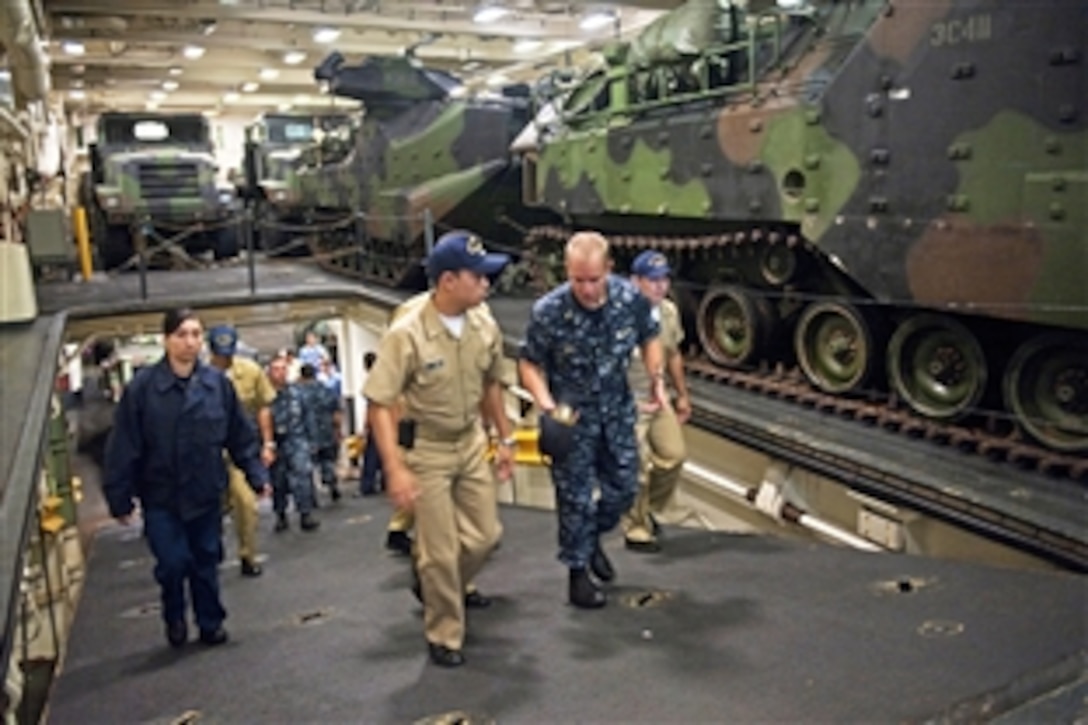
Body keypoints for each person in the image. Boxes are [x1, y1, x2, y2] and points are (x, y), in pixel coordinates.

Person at [363, 230, 515, 668]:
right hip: (426, 448)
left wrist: (503, 438)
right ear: (448, 281)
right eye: (478, 276)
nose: (487, 284)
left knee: (486, 537)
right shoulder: (407, 332)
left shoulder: (484, 322)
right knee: (441, 551)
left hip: (468, 441)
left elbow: (491, 384)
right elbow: (378, 404)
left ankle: (432, 579)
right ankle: (444, 631)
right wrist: (394, 469)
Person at [104, 308, 269, 648]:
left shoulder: (216, 387)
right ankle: (175, 615)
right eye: (182, 335)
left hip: (205, 491)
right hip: (161, 495)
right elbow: (124, 445)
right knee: (173, 563)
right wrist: (119, 497)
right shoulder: (143, 390)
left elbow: (239, 435)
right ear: (166, 340)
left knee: (206, 559)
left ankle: (210, 622)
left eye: (196, 334)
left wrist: (255, 473)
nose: (190, 342)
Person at [518, 231, 665, 609]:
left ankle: (591, 538)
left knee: (624, 489)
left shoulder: (629, 299)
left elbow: (650, 337)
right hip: (572, 415)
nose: (586, 288)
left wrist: (656, 380)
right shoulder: (548, 311)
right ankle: (578, 573)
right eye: (577, 279)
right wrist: (548, 406)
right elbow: (529, 363)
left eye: (594, 279)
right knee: (575, 499)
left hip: (616, 410)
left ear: (609, 270)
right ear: (566, 271)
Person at [621, 251, 691, 553]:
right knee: (634, 466)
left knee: (673, 456)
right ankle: (636, 528)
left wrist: (682, 394)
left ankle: (648, 508)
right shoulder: (619, 315)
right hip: (629, 399)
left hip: (658, 395)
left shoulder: (668, 312)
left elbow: (673, 353)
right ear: (635, 282)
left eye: (664, 280)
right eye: (653, 281)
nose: (660, 287)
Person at [207, 324, 278, 577]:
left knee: (247, 503)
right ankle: (210, 553)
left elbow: (263, 407)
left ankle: (248, 554)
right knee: (210, 509)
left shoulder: (250, 371)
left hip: (239, 450)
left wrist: (268, 443)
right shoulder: (197, 376)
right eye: (219, 353)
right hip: (207, 455)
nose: (224, 358)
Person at [267, 353, 321, 532]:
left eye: (283, 369)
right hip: (276, 442)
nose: (280, 373)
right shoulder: (265, 396)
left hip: (296, 440)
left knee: (302, 477)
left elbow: (309, 416)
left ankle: (305, 514)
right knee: (278, 480)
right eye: (276, 369)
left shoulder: (298, 393)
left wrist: (313, 441)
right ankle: (280, 515)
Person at [298, 362, 343, 503]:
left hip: (307, 433)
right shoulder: (326, 390)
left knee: (308, 466)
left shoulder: (298, 393)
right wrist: (338, 430)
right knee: (328, 460)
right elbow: (336, 412)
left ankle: (311, 495)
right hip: (326, 430)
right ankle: (332, 484)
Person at [359, 351, 384, 498]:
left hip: (377, 422)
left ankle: (367, 485)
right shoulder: (386, 378)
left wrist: (366, 425)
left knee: (371, 455)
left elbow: (371, 406)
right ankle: (385, 481)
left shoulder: (372, 381)